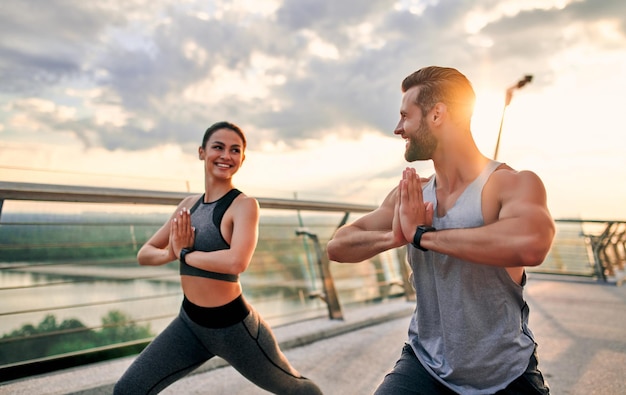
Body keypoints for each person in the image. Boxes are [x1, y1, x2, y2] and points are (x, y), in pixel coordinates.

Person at [327, 66, 555, 395]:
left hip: (504, 374)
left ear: (437, 115)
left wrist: (423, 236)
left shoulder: (509, 184)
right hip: (425, 365)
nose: (398, 128)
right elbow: (338, 246)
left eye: (405, 116)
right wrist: (395, 236)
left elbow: (532, 245)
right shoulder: (411, 194)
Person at [114, 121, 322, 395]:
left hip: (234, 328)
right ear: (202, 152)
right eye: (218, 147)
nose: (226, 156)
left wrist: (185, 254)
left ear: (242, 159)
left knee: (296, 389)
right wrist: (170, 252)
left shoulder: (244, 205)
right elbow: (145, 254)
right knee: (128, 389)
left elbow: (237, 262)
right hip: (189, 324)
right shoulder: (188, 205)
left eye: (235, 150)